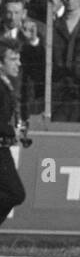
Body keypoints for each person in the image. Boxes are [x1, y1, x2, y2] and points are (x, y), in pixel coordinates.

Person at [0, 36, 27, 227]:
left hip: (3, 147)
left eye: (19, 58)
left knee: (14, 193)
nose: (19, 63)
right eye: (13, 59)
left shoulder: (6, 84)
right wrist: (12, 131)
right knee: (15, 193)